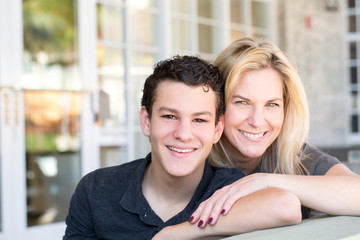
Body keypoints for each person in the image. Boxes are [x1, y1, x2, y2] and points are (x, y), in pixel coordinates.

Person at [63, 55, 301, 240]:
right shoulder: (96, 191)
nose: (184, 135)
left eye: (199, 120)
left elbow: (285, 205)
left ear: (217, 129)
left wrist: (179, 232)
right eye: (169, 116)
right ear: (146, 121)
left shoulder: (228, 189)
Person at [188, 37, 360, 228]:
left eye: (272, 104)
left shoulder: (296, 157)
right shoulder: (193, 157)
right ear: (218, 104)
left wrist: (266, 181)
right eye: (242, 102)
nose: (257, 121)